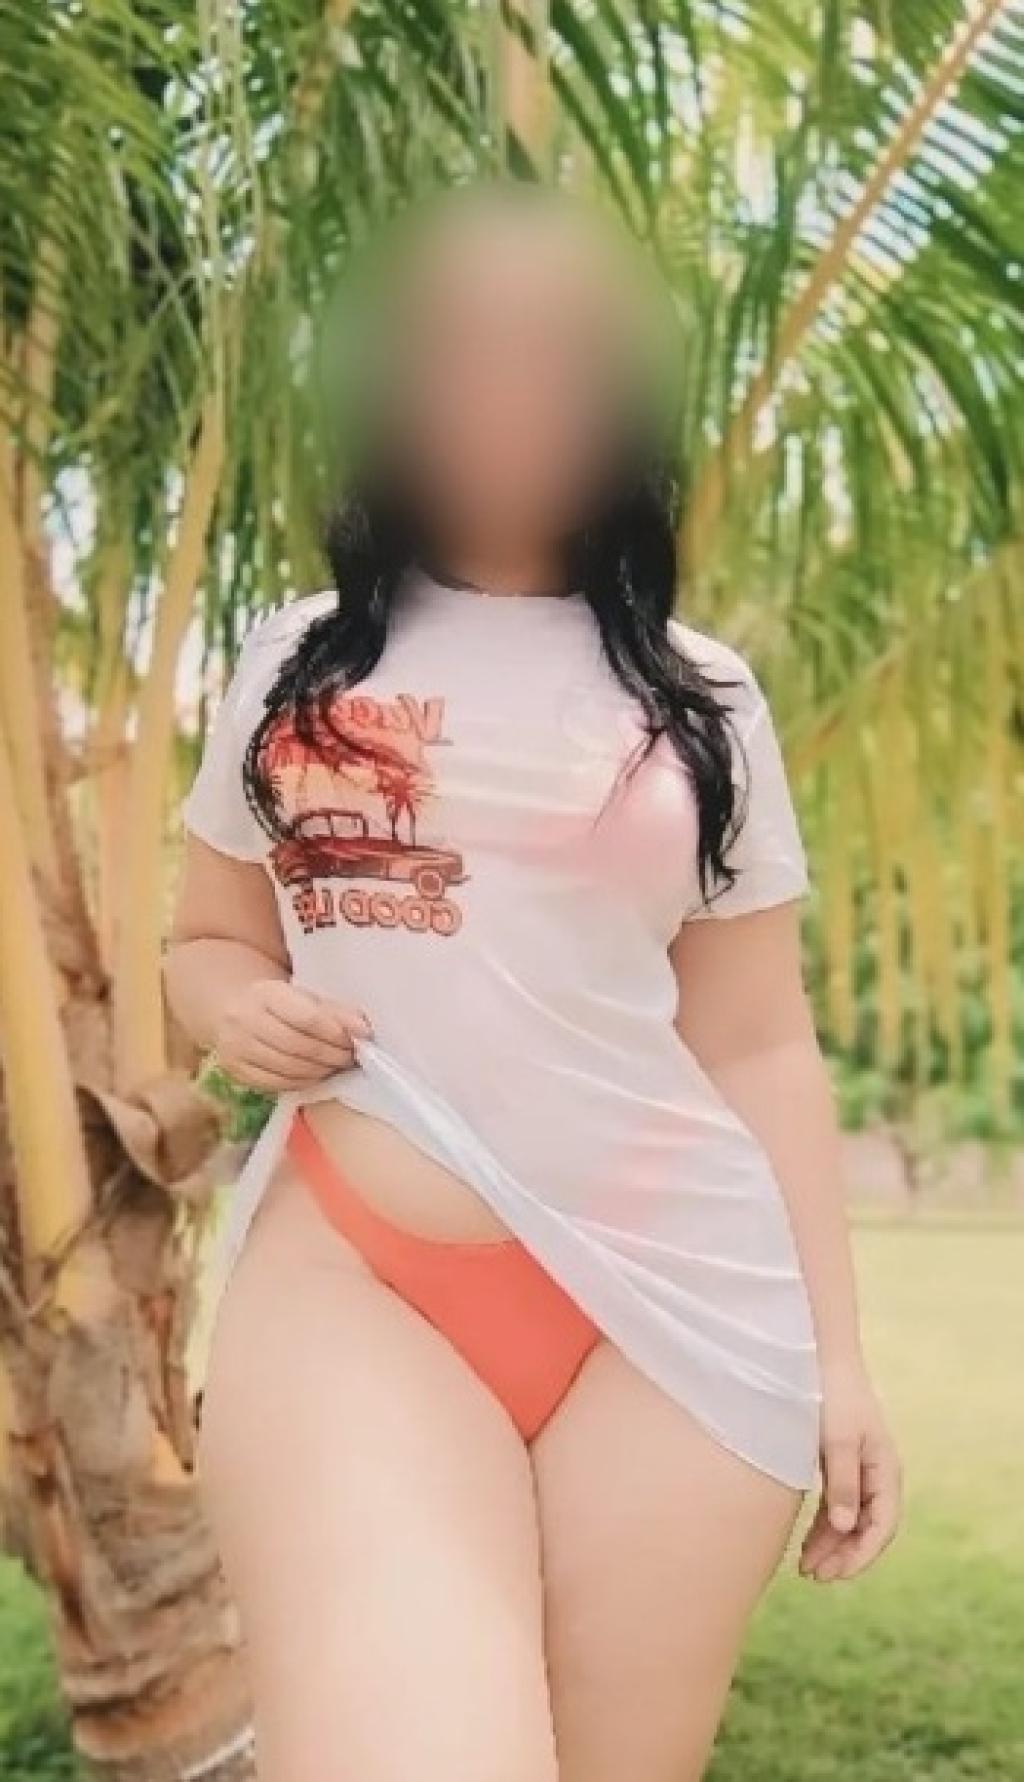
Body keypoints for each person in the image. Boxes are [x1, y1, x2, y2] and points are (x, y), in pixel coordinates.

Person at [165, 183, 901, 1782]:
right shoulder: (297, 664)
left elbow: (759, 1042)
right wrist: (231, 1009)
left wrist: (840, 1360)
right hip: (360, 1285)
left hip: (679, 1314)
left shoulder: (702, 699)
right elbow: (203, 940)